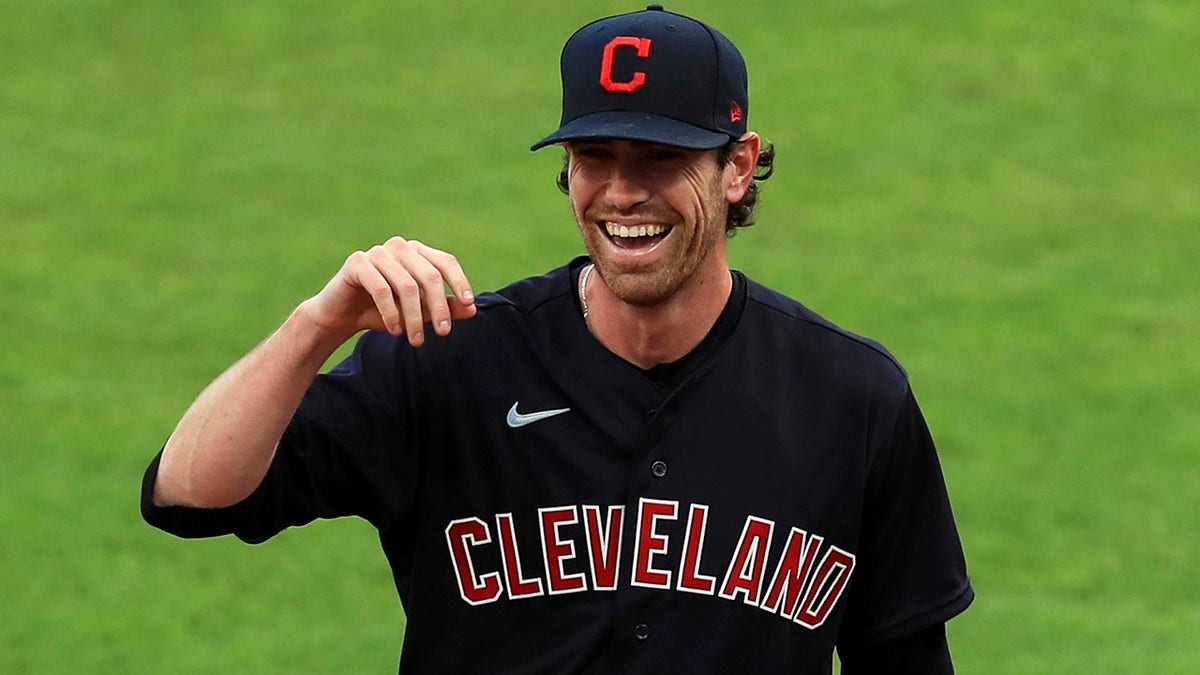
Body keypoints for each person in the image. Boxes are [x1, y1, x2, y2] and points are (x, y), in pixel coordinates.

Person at [142, 5, 973, 673]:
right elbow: (188, 495)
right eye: (594, 154)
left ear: (737, 165)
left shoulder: (851, 398)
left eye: (660, 157)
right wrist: (316, 324)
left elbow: (904, 656)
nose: (621, 192)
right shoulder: (453, 360)